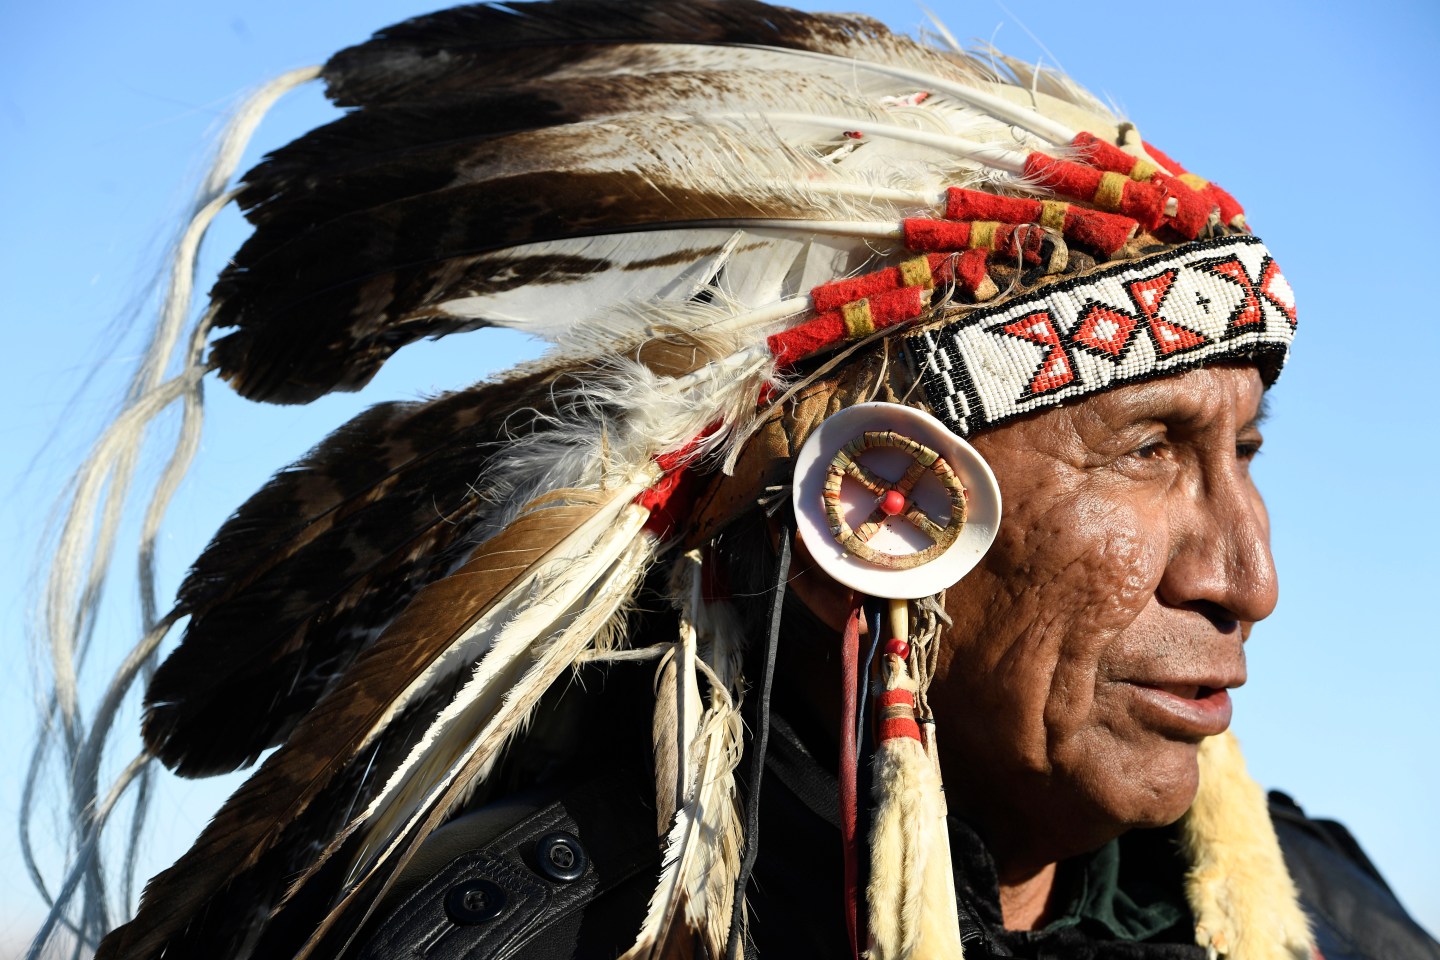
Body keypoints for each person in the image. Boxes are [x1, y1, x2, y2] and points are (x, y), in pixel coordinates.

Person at [29, 2, 1438, 959]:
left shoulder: (1317, 917)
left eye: (1242, 455)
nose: (1246, 578)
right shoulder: (546, 926)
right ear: (881, 499)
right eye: (1150, 450)